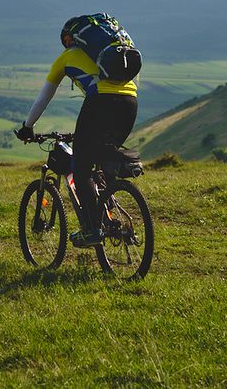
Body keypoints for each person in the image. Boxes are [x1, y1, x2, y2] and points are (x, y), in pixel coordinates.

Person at [16, 16, 138, 248]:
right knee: (105, 155)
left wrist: (28, 128)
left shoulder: (66, 58)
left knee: (81, 167)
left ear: (67, 40)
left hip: (100, 103)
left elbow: (43, 100)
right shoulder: (107, 58)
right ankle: (109, 211)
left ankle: (92, 229)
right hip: (130, 103)